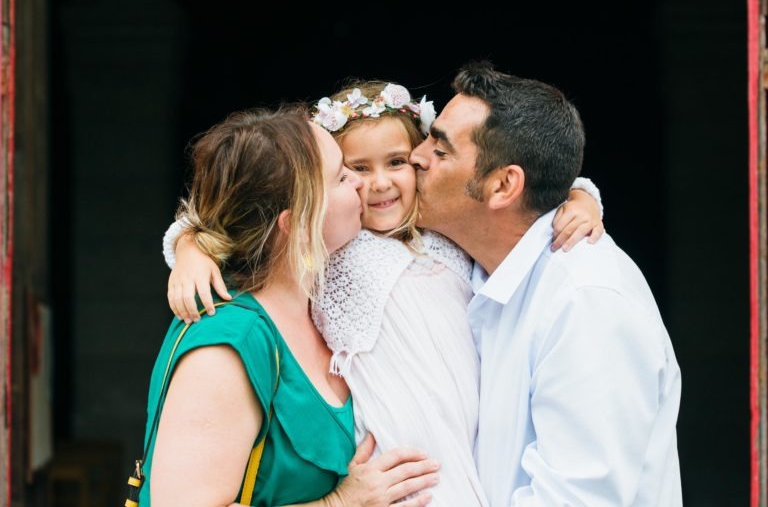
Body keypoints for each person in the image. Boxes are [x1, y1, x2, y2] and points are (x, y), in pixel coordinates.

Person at [162, 81, 605, 506]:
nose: (371, 184)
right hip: (397, 451)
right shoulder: (334, 251)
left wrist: (579, 198)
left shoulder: (444, 233)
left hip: (470, 449)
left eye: (396, 162)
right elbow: (241, 213)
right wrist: (192, 248)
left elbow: (518, 186)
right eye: (348, 172)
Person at [408, 62, 682, 506]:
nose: (416, 156)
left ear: (502, 186)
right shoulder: (473, 268)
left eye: (440, 152)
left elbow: (578, 498)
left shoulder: (586, 302)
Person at [140, 106, 442, 507]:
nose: (360, 183)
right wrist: (341, 504)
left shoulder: (323, 309)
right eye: (341, 176)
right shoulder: (227, 344)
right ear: (296, 223)